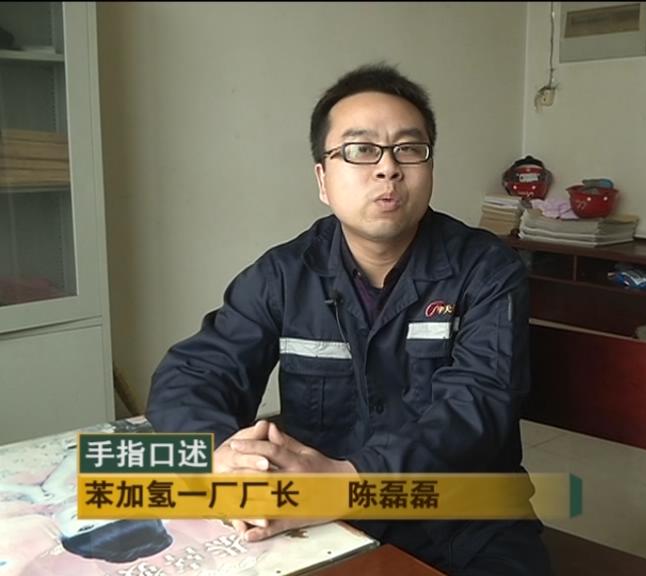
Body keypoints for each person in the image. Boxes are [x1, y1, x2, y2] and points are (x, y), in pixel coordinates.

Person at [147, 63, 551, 575]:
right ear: (323, 178)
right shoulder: (284, 275)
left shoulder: (486, 269)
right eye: (361, 150)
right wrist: (221, 456)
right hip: (324, 522)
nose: (388, 169)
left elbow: (478, 405)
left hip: (467, 523)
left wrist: (351, 480)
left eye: (409, 149)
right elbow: (192, 375)